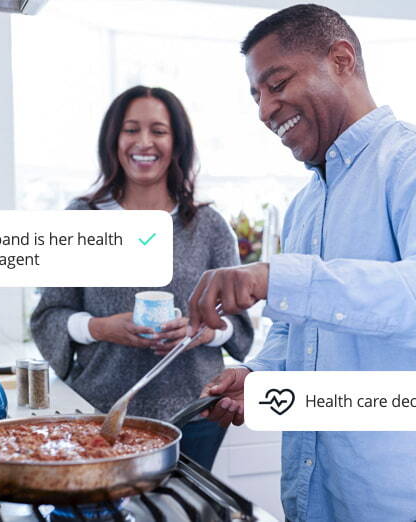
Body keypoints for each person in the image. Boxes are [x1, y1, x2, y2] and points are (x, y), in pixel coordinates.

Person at [188, 5, 416, 522]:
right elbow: (295, 331)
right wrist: (257, 375)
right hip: (322, 496)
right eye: (256, 96)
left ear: (342, 59)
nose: (265, 109)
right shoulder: (307, 203)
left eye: (276, 83)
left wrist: (275, 277)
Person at [30, 85, 253, 470]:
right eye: (131, 129)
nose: (144, 142)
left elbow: (238, 327)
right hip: (100, 412)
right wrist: (102, 327)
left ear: (177, 142)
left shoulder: (209, 227)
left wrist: (198, 332)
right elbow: (48, 315)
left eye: (159, 131)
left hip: (194, 414)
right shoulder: (81, 218)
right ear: (113, 139)